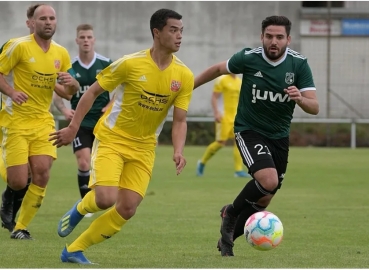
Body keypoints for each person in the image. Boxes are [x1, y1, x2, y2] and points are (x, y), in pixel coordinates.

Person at [49, 8, 194, 264]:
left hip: (144, 147)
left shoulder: (184, 75)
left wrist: (178, 150)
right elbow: (91, 93)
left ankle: (73, 250)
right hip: (113, 139)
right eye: (173, 30)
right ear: (156, 33)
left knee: (127, 208)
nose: (179, 36)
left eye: (181, 31)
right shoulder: (130, 63)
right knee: (105, 199)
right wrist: (73, 128)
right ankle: (81, 208)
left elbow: (179, 120)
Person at [194, 15, 319, 256]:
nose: (274, 41)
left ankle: (227, 240)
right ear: (262, 37)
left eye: (279, 37)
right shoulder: (249, 58)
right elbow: (217, 69)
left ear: (288, 40)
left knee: (264, 199)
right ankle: (230, 213)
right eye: (269, 36)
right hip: (248, 130)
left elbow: (315, 107)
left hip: (279, 137)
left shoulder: (298, 65)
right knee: (268, 181)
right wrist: (188, 88)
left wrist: (300, 99)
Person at [0, 4, 79, 240]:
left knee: (42, 174)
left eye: (52, 18)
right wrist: (12, 92)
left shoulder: (61, 53)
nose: (48, 22)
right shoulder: (19, 46)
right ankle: (9, 196)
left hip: (43, 121)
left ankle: (20, 227)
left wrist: (72, 84)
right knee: (18, 180)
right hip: (15, 120)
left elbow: (67, 92)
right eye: (42, 18)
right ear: (32, 23)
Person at [53, 24, 113, 215]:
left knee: (101, 163)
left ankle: (102, 197)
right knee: (84, 162)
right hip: (80, 123)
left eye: (89, 37)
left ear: (94, 40)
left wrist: (110, 106)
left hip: (103, 123)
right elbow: (58, 96)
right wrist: (64, 109)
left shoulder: (106, 63)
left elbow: (123, 89)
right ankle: (86, 204)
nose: (86, 40)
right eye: (82, 37)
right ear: (77, 41)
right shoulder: (70, 67)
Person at [196, 74, 249, 178]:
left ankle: (238, 170)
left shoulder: (239, 81)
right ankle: (202, 162)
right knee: (220, 143)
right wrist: (216, 112)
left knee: (239, 141)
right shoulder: (221, 80)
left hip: (236, 117)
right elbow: (214, 97)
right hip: (223, 116)